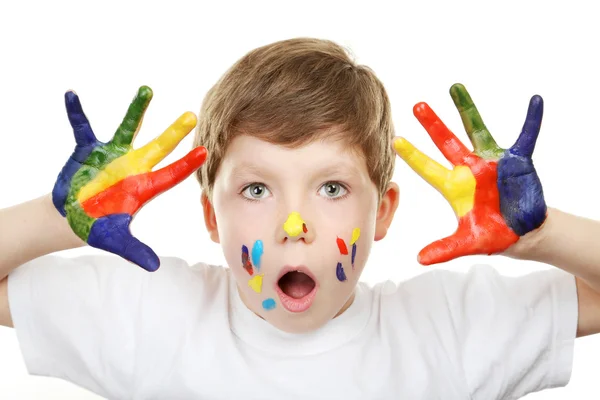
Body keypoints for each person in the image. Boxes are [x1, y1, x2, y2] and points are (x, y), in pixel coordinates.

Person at [0, 37, 599, 399]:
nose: (294, 224)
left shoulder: (443, 328)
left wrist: (539, 234)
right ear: (211, 216)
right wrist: (62, 220)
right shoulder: (152, 315)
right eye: (257, 188)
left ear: (382, 212)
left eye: (331, 186)